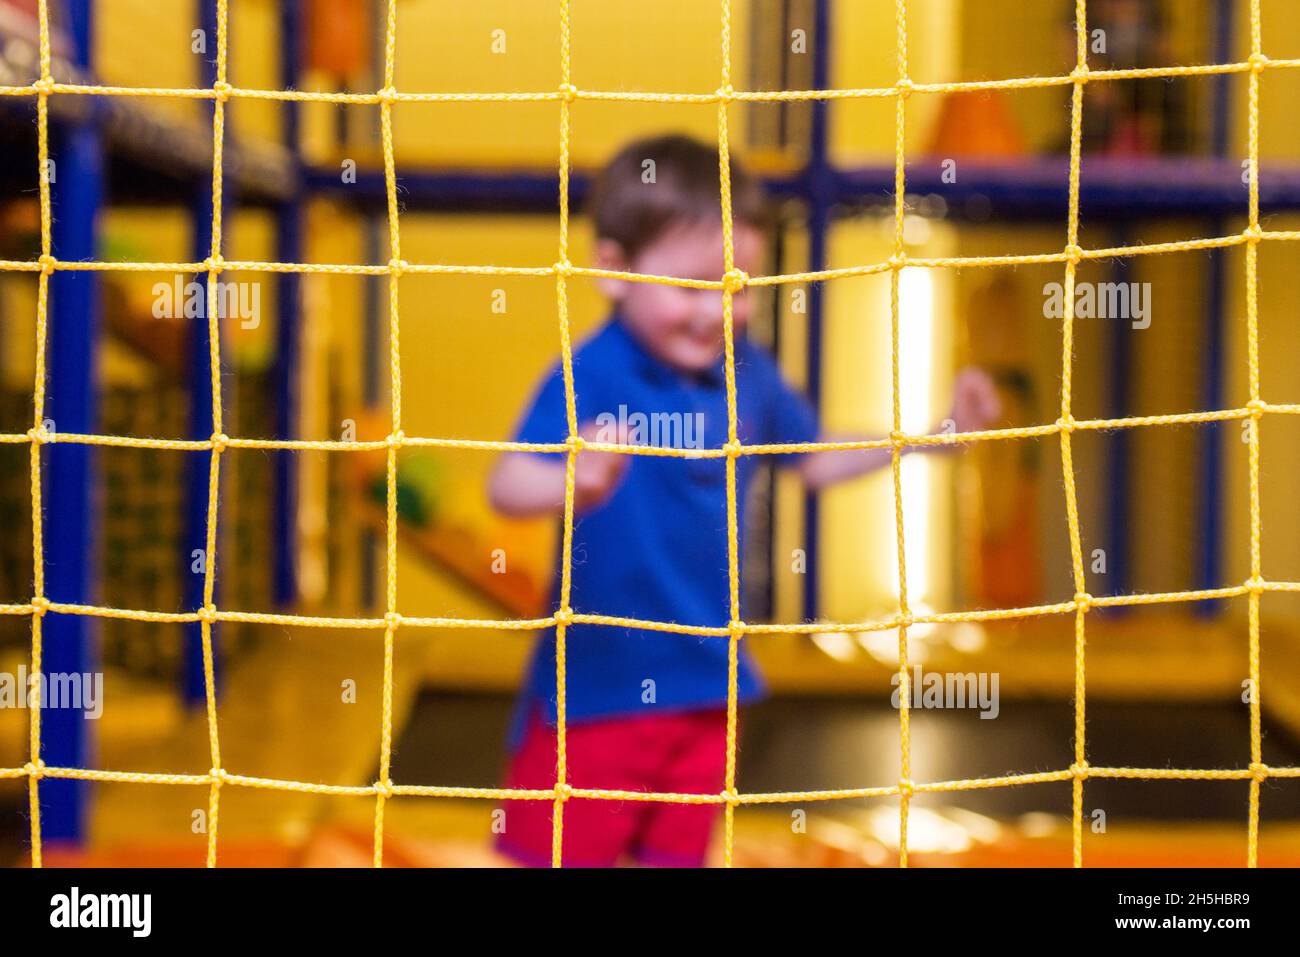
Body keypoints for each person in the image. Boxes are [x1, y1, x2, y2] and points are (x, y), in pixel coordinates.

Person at [487, 133, 1001, 866]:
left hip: (707, 691)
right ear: (613, 271)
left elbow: (813, 455)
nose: (715, 313)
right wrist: (571, 473)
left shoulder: (746, 372)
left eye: (738, 287)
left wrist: (929, 438)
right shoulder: (590, 374)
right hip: (596, 696)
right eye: (692, 287)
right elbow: (506, 484)